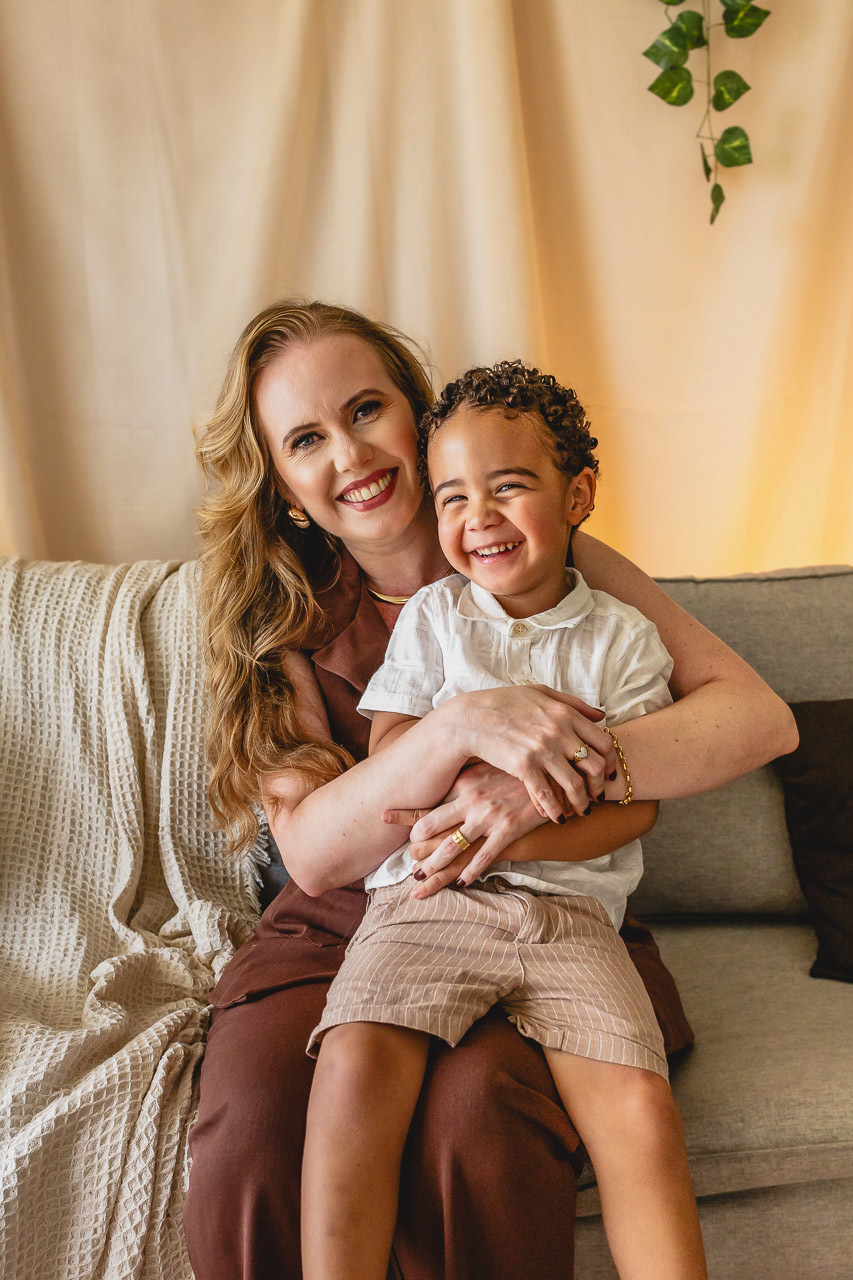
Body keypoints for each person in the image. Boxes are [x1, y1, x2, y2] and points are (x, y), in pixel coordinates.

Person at [183, 300, 797, 1280]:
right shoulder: (279, 614)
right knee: (254, 1130)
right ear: (282, 482)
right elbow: (315, 852)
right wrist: (464, 723)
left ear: (417, 416)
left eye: (366, 410)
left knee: (478, 1119)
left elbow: (756, 719)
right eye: (306, 439)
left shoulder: (550, 552)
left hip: (544, 901)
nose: (350, 454)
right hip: (337, 923)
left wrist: (546, 793)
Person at [300, 361, 707, 1280]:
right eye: (452, 496)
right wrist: (462, 743)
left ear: (578, 496)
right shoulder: (435, 619)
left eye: (508, 486)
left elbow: (630, 807)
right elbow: (393, 752)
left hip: (571, 918)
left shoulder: (624, 640)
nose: (477, 515)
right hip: (430, 900)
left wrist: (520, 829)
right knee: (353, 1066)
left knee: (639, 1110)